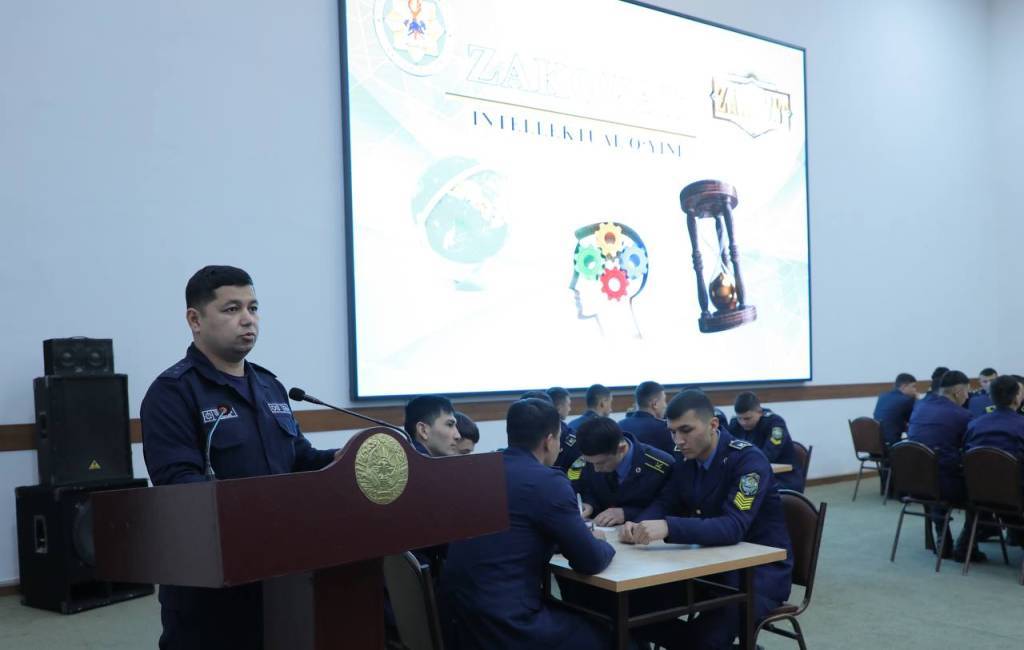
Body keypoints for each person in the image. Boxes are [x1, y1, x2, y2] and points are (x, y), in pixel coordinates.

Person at [141, 265, 340, 650]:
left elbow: (299, 459)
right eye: (232, 309)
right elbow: (181, 487)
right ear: (195, 320)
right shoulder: (172, 392)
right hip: (211, 584)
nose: (248, 319)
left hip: (282, 573)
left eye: (253, 307)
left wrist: (344, 458)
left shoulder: (271, 386)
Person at [620, 389, 793, 650]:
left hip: (756, 574)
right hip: (708, 566)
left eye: (686, 430)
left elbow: (733, 527)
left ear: (713, 425)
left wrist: (668, 527)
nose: (678, 440)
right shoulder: (685, 458)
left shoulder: (748, 461)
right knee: (634, 613)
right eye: (672, 432)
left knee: (705, 641)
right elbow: (666, 501)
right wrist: (638, 525)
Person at [439, 398, 615, 650]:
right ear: (549, 440)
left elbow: (511, 535)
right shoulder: (548, 482)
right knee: (608, 633)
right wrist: (603, 543)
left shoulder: (476, 471)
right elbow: (591, 561)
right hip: (507, 625)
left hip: (458, 620)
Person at [906, 370, 983, 562]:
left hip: (915, 481)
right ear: (958, 392)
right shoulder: (962, 415)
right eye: (967, 391)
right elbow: (973, 450)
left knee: (937, 470)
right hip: (944, 485)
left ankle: (943, 539)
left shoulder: (919, 407)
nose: (968, 396)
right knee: (984, 491)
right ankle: (965, 546)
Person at [571, 416, 674, 526]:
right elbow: (585, 488)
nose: (596, 469)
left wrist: (627, 513)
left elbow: (667, 506)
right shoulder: (589, 459)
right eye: (590, 463)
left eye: (601, 463)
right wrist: (589, 504)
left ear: (622, 448)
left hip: (641, 531)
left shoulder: (661, 466)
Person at [728, 392, 803, 491]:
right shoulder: (735, 423)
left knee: (746, 491)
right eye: (739, 418)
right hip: (752, 475)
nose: (743, 423)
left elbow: (769, 454)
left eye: (747, 418)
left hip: (782, 477)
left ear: (760, 412)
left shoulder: (775, 423)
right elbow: (729, 450)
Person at [618, 380, 674, 455]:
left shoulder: (619, 426)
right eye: (664, 401)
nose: (665, 405)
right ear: (655, 404)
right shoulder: (665, 428)